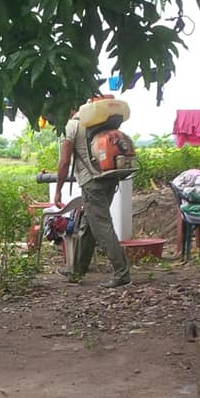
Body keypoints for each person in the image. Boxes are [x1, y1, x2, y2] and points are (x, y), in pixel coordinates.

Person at [53, 110, 131, 288]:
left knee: (102, 227)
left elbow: (64, 162)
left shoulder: (71, 126)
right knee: (89, 225)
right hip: (109, 177)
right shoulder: (98, 120)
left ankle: (122, 273)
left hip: (92, 182)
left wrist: (58, 190)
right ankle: (76, 271)